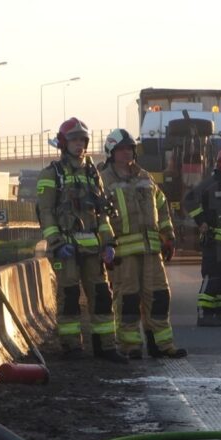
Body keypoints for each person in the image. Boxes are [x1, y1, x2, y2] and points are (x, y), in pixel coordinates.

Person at [35, 117, 126, 363]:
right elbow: (46, 213)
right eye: (74, 139)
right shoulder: (51, 173)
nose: (79, 145)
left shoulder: (92, 173)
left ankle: (105, 346)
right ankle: (72, 347)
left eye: (82, 140)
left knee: (101, 296)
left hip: (93, 250)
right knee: (70, 297)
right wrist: (56, 243)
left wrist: (109, 243)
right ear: (64, 142)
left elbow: (102, 213)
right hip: (66, 249)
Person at [98, 128, 187, 359]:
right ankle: (131, 346)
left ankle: (162, 344)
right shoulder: (102, 180)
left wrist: (168, 235)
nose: (127, 153)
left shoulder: (144, 177)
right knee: (128, 300)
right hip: (123, 253)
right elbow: (99, 216)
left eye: (129, 148)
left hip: (151, 250)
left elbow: (161, 205)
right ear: (111, 152)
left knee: (159, 296)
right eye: (121, 149)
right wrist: (106, 245)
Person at [183, 147, 221, 327]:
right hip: (213, 241)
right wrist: (201, 221)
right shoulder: (211, 183)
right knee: (213, 277)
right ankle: (204, 314)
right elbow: (189, 200)